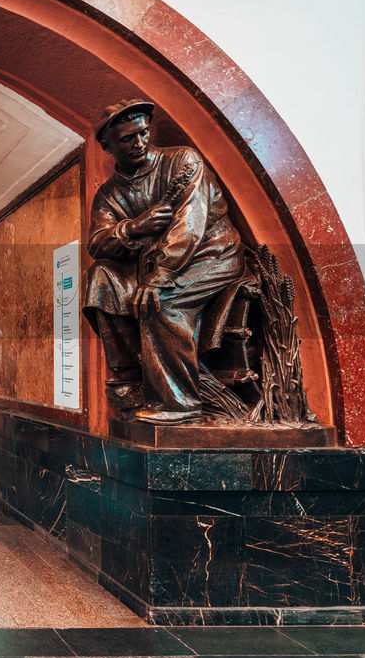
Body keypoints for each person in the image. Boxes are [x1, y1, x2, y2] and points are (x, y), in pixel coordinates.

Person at [82, 98, 244, 425]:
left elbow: (191, 225)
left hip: (210, 253)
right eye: (128, 138)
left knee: (161, 300)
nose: (140, 143)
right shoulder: (108, 194)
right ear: (107, 145)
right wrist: (134, 227)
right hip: (152, 262)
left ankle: (181, 404)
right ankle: (130, 380)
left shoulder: (183, 161)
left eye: (143, 133)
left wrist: (160, 276)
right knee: (100, 277)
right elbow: (98, 243)